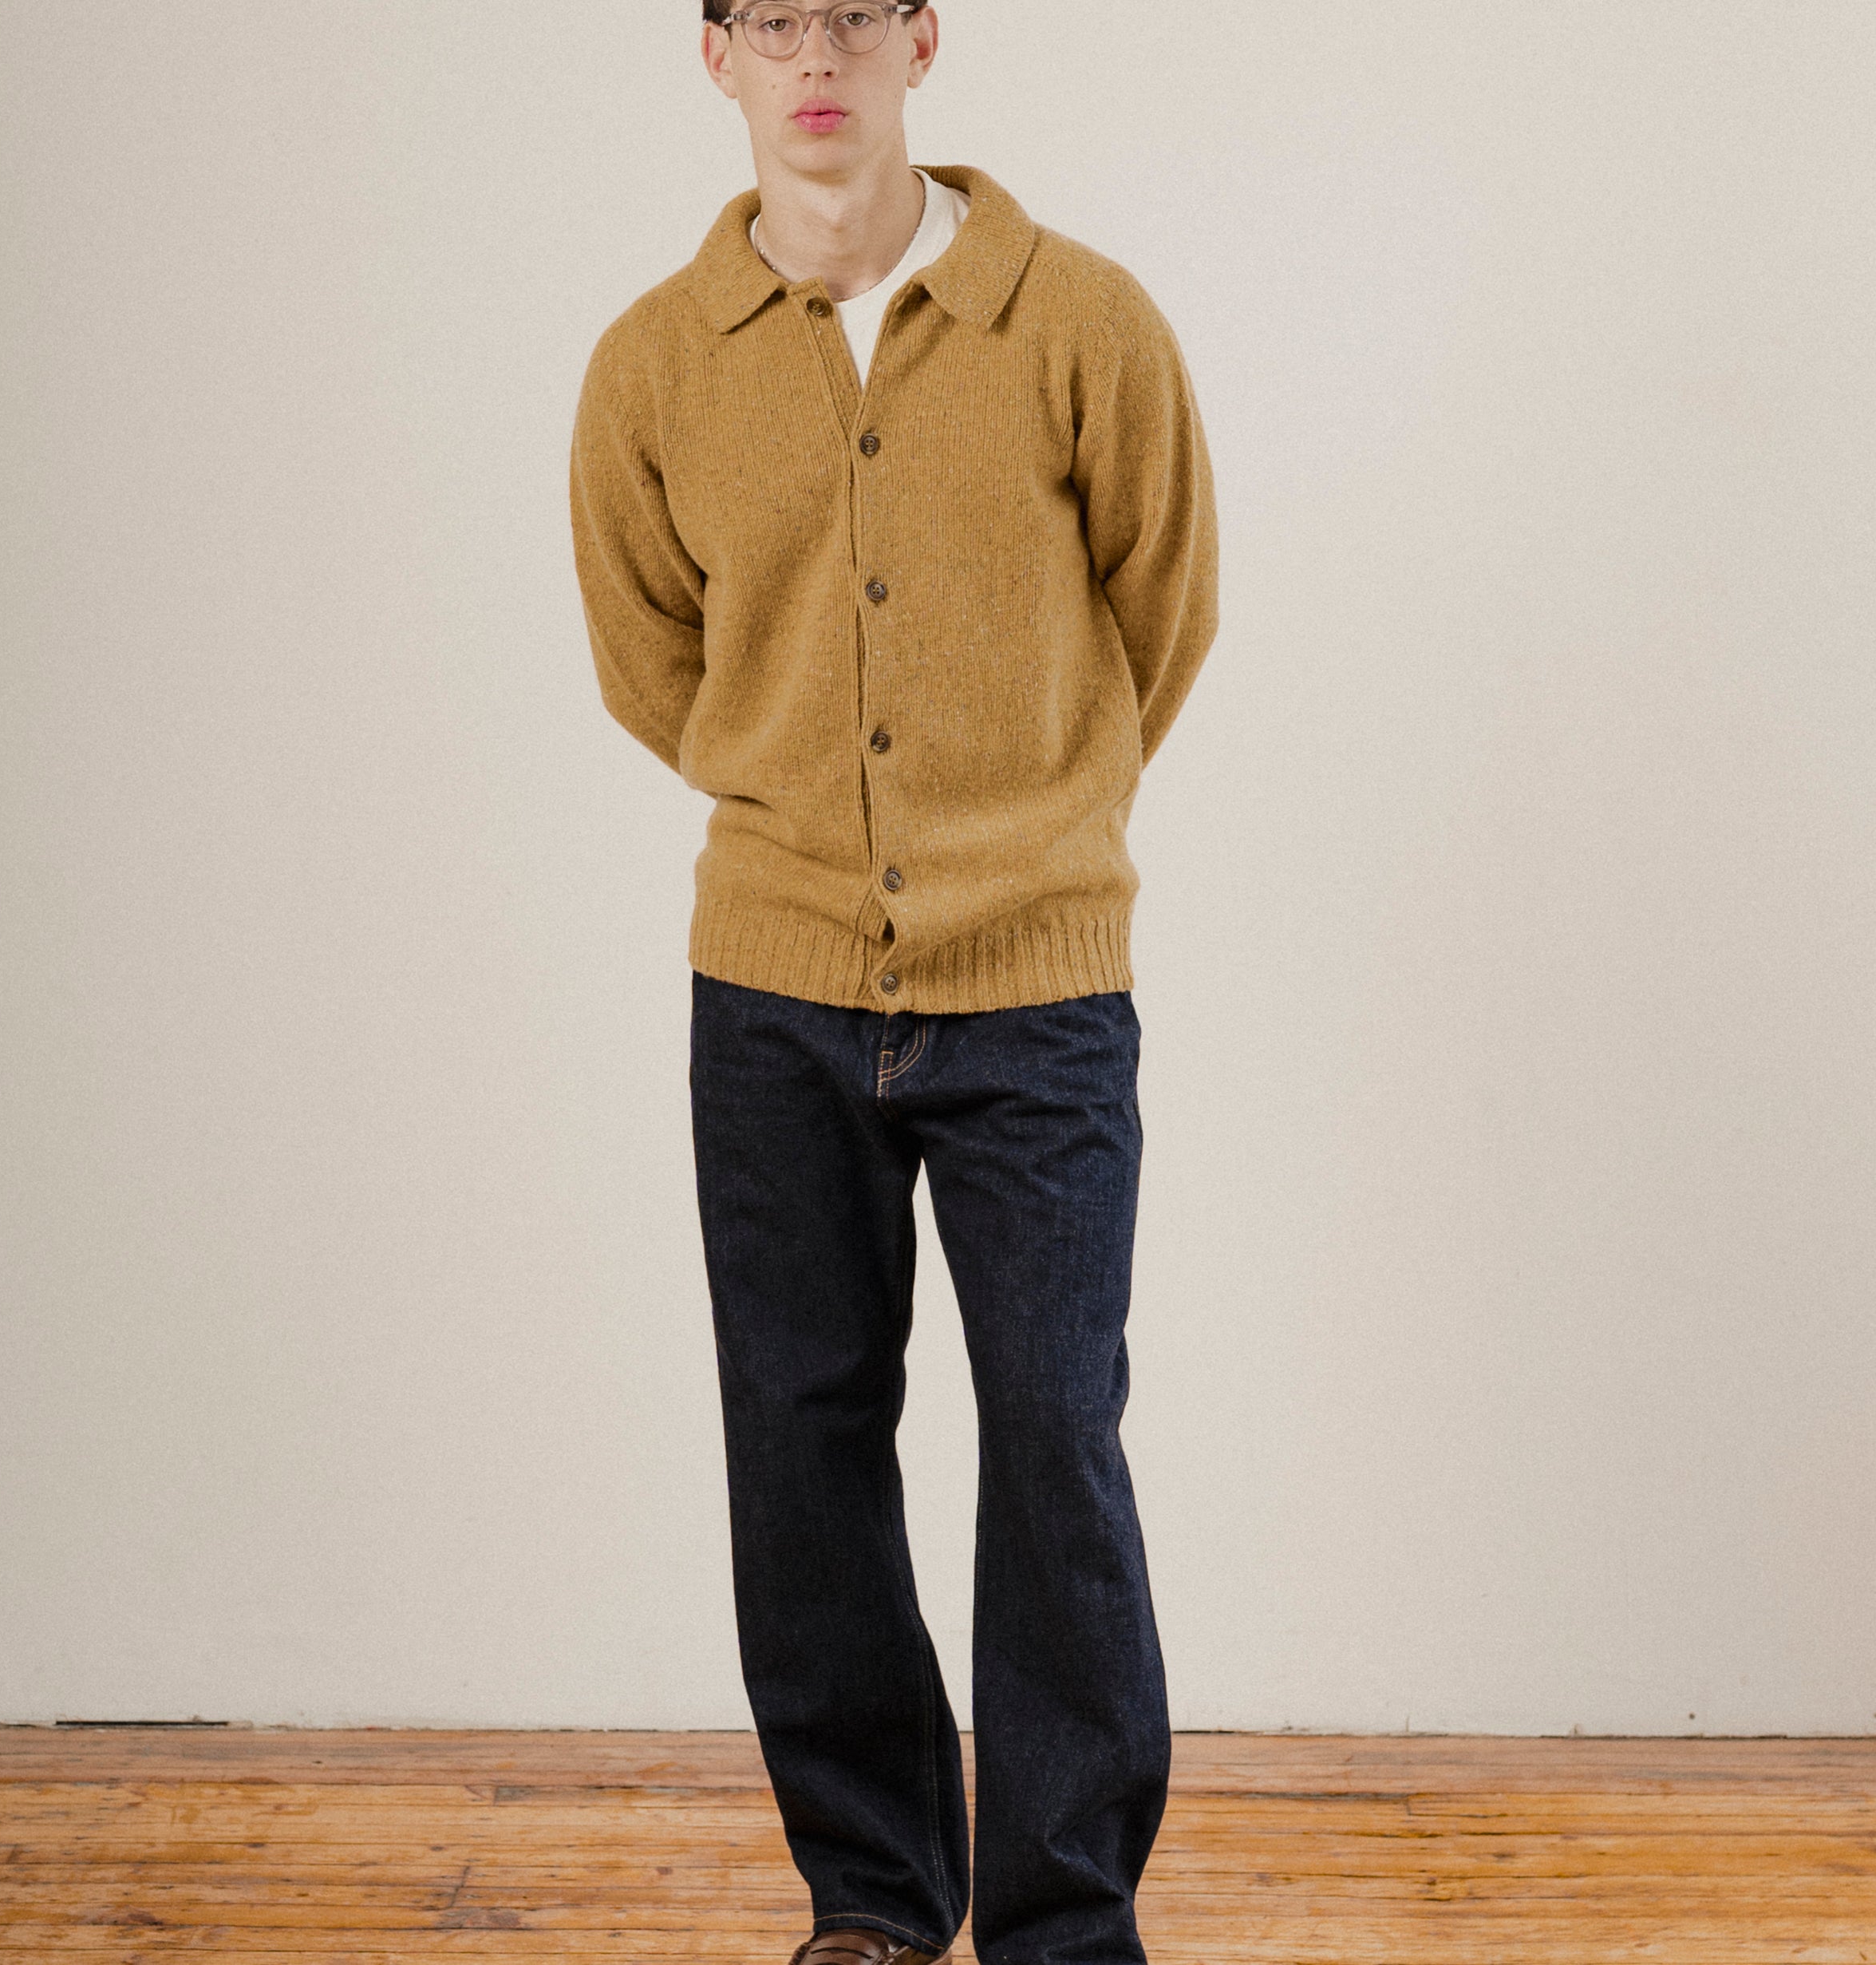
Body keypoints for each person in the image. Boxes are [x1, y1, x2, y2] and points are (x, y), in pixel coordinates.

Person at [569, 5, 1218, 1960]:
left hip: (1036, 995)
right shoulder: (652, 364)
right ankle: (871, 1897)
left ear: (922, 38)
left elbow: (1162, 614)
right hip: (767, 991)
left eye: (853, 12)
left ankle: (1062, 1919)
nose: (815, 55)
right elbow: (647, 658)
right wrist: (808, 818)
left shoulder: (1079, 321)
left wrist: (1025, 822)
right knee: (803, 1441)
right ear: (715, 56)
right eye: (772, 21)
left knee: (1050, 1439)